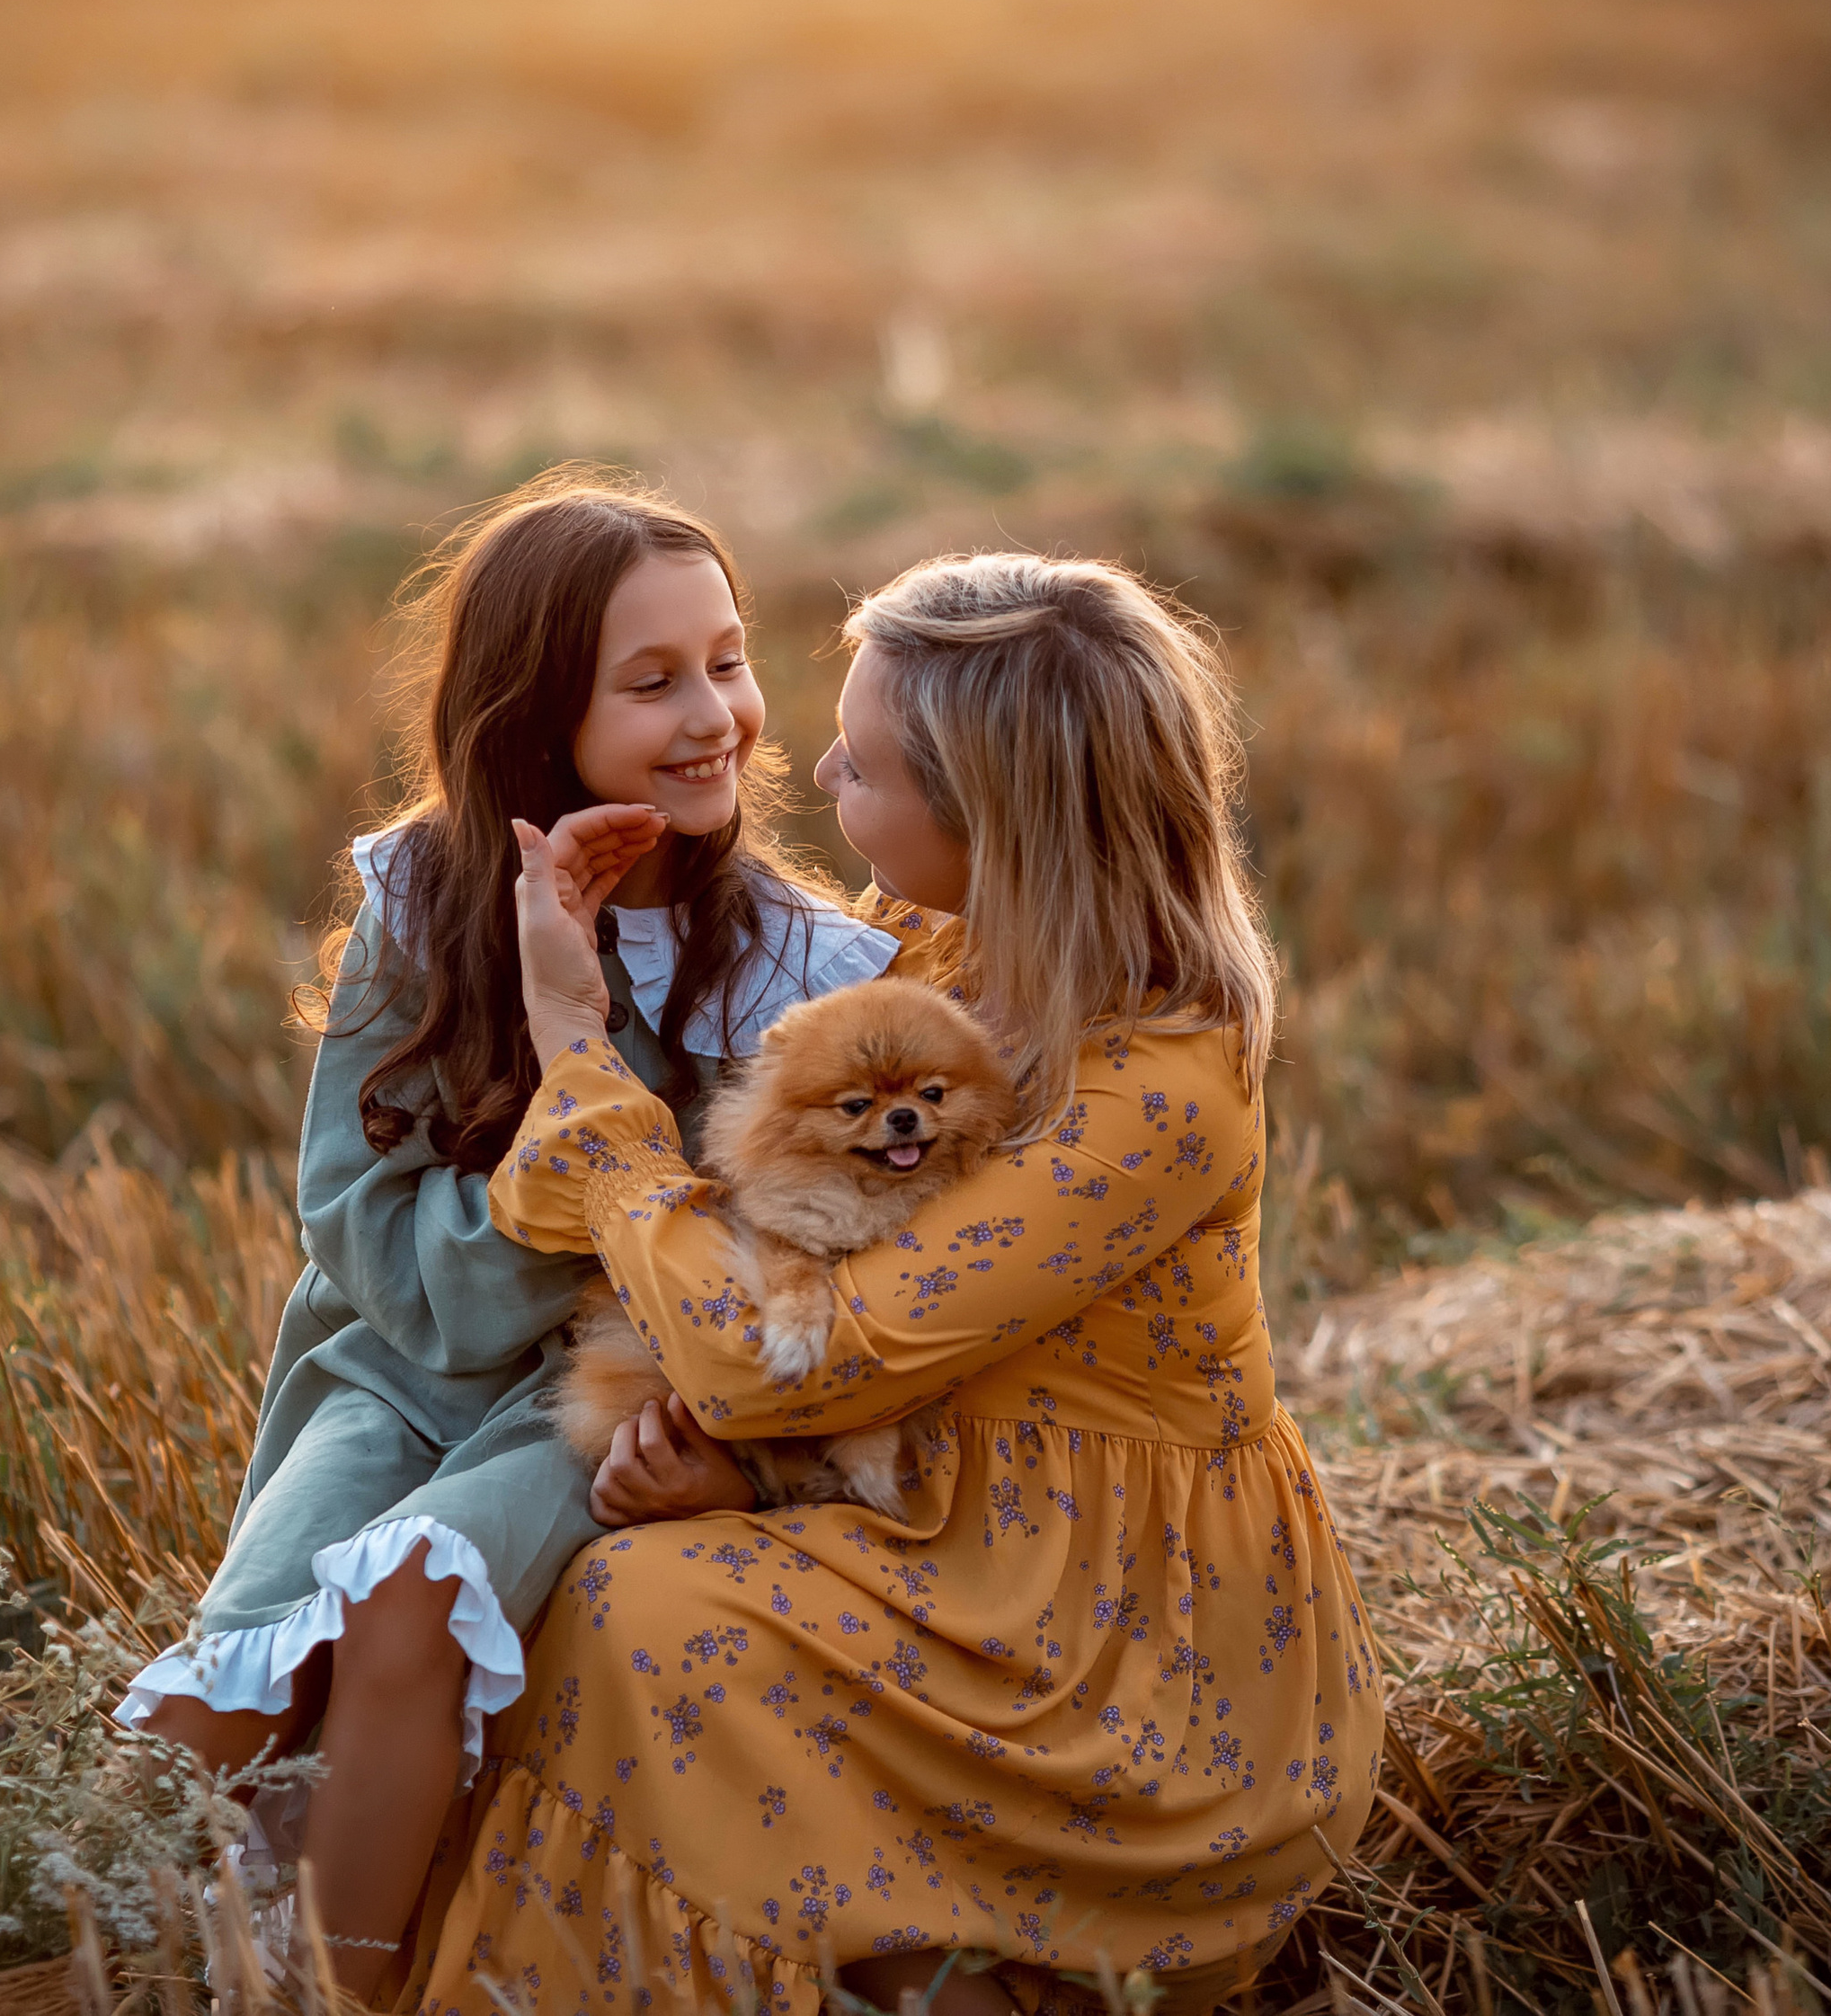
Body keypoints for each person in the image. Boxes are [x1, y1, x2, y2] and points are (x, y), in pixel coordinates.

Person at [395, 552, 1384, 2015]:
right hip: (921, 1526)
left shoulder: (1159, 1088)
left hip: (1105, 1648)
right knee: (610, 1598)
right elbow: (756, 1226)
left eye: (863, 764)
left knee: (652, 1621)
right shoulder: (926, 956)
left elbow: (790, 1354)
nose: (820, 768)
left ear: (997, 817)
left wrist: (574, 1039)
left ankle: (935, 1965)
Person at [114, 473, 898, 1999]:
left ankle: (342, 1988)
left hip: (600, 1391)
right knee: (215, 1699)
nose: (715, 717)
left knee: (412, 1600)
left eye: (728, 661)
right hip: (402, 1369)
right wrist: (547, 1127)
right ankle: (93, 1951)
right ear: (535, 716)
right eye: (651, 682)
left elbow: (808, 1261)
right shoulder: (419, 902)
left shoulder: (806, 966)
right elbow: (365, 1228)